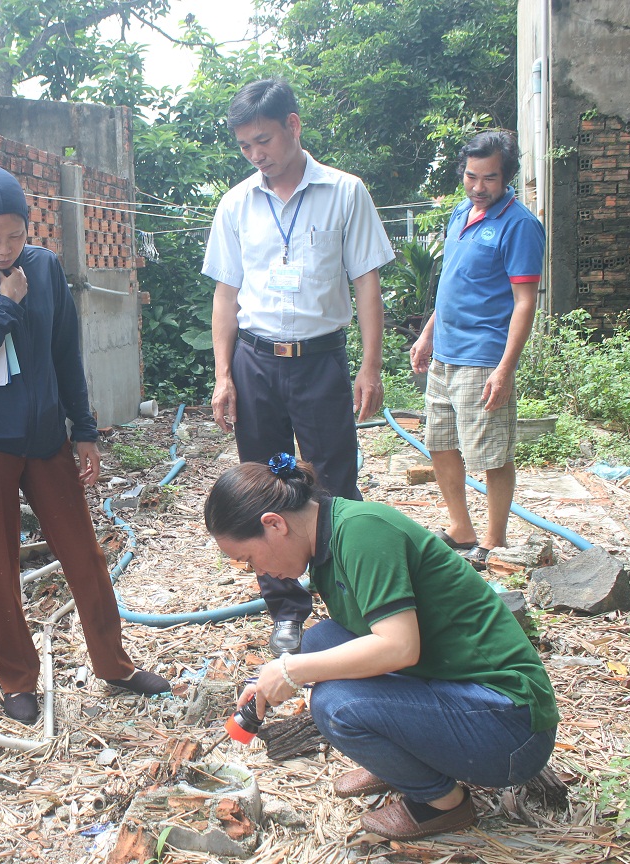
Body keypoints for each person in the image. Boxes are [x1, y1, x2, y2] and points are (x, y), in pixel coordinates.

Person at [0, 163, 170, 724]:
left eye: (14, 234)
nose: (5, 248)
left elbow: (67, 354)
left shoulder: (45, 266)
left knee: (84, 553)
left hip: (44, 441)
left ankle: (115, 664)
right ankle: (16, 679)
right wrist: (5, 305)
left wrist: (83, 430)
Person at [204, 456, 558, 841]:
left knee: (336, 706)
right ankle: (403, 757)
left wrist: (291, 671)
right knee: (321, 640)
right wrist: (275, 676)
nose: (259, 572)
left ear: (275, 524)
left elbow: (399, 648)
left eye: (249, 559)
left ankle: (443, 804)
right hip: (460, 689)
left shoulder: (362, 533)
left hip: (510, 727)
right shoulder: (327, 538)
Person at [202, 78, 396, 656]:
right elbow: (224, 295)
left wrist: (371, 367)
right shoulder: (236, 203)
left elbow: (366, 284)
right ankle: (285, 609)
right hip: (256, 360)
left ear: (293, 126)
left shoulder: (344, 192)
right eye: (245, 147)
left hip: (319, 361)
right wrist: (223, 373)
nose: (256, 155)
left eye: (263, 140)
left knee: (332, 480)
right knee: (261, 486)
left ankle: (352, 600)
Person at [410, 130, 545, 570]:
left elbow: (525, 301)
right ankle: (461, 527)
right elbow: (451, 284)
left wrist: (505, 368)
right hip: (445, 354)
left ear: (506, 176)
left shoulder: (519, 225)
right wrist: (428, 334)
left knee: (490, 453)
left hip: (483, 356)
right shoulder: (459, 214)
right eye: (471, 176)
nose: (478, 186)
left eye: (489, 178)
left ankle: (495, 537)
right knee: (441, 444)